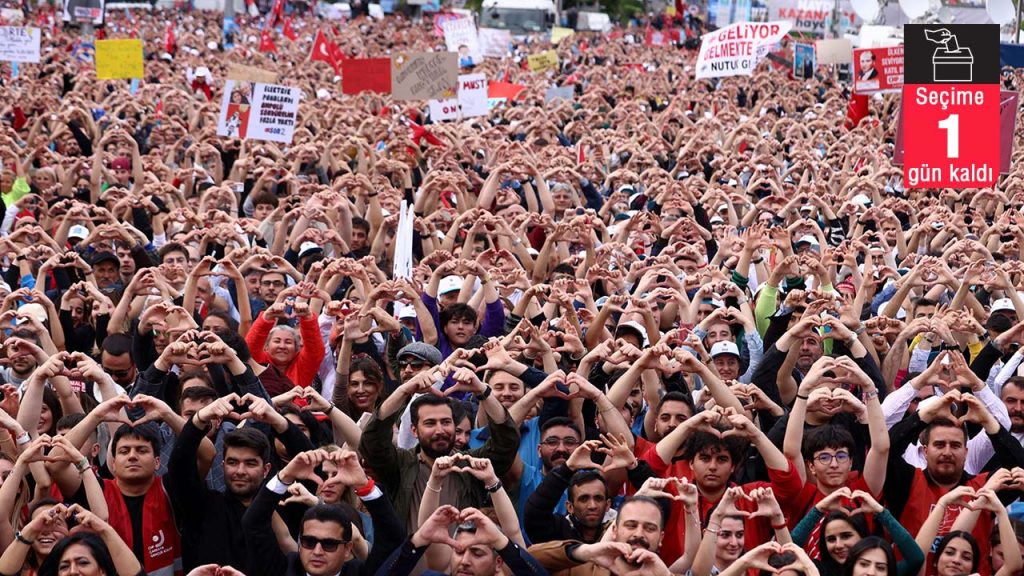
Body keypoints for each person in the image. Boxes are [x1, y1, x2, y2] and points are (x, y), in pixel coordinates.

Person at [241, 448, 404, 576]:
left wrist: (364, 485)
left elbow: (392, 536)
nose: (317, 551)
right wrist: (285, 476)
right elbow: (253, 523)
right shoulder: (285, 570)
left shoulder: (360, 573)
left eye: (329, 544)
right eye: (309, 542)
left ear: (348, 548)